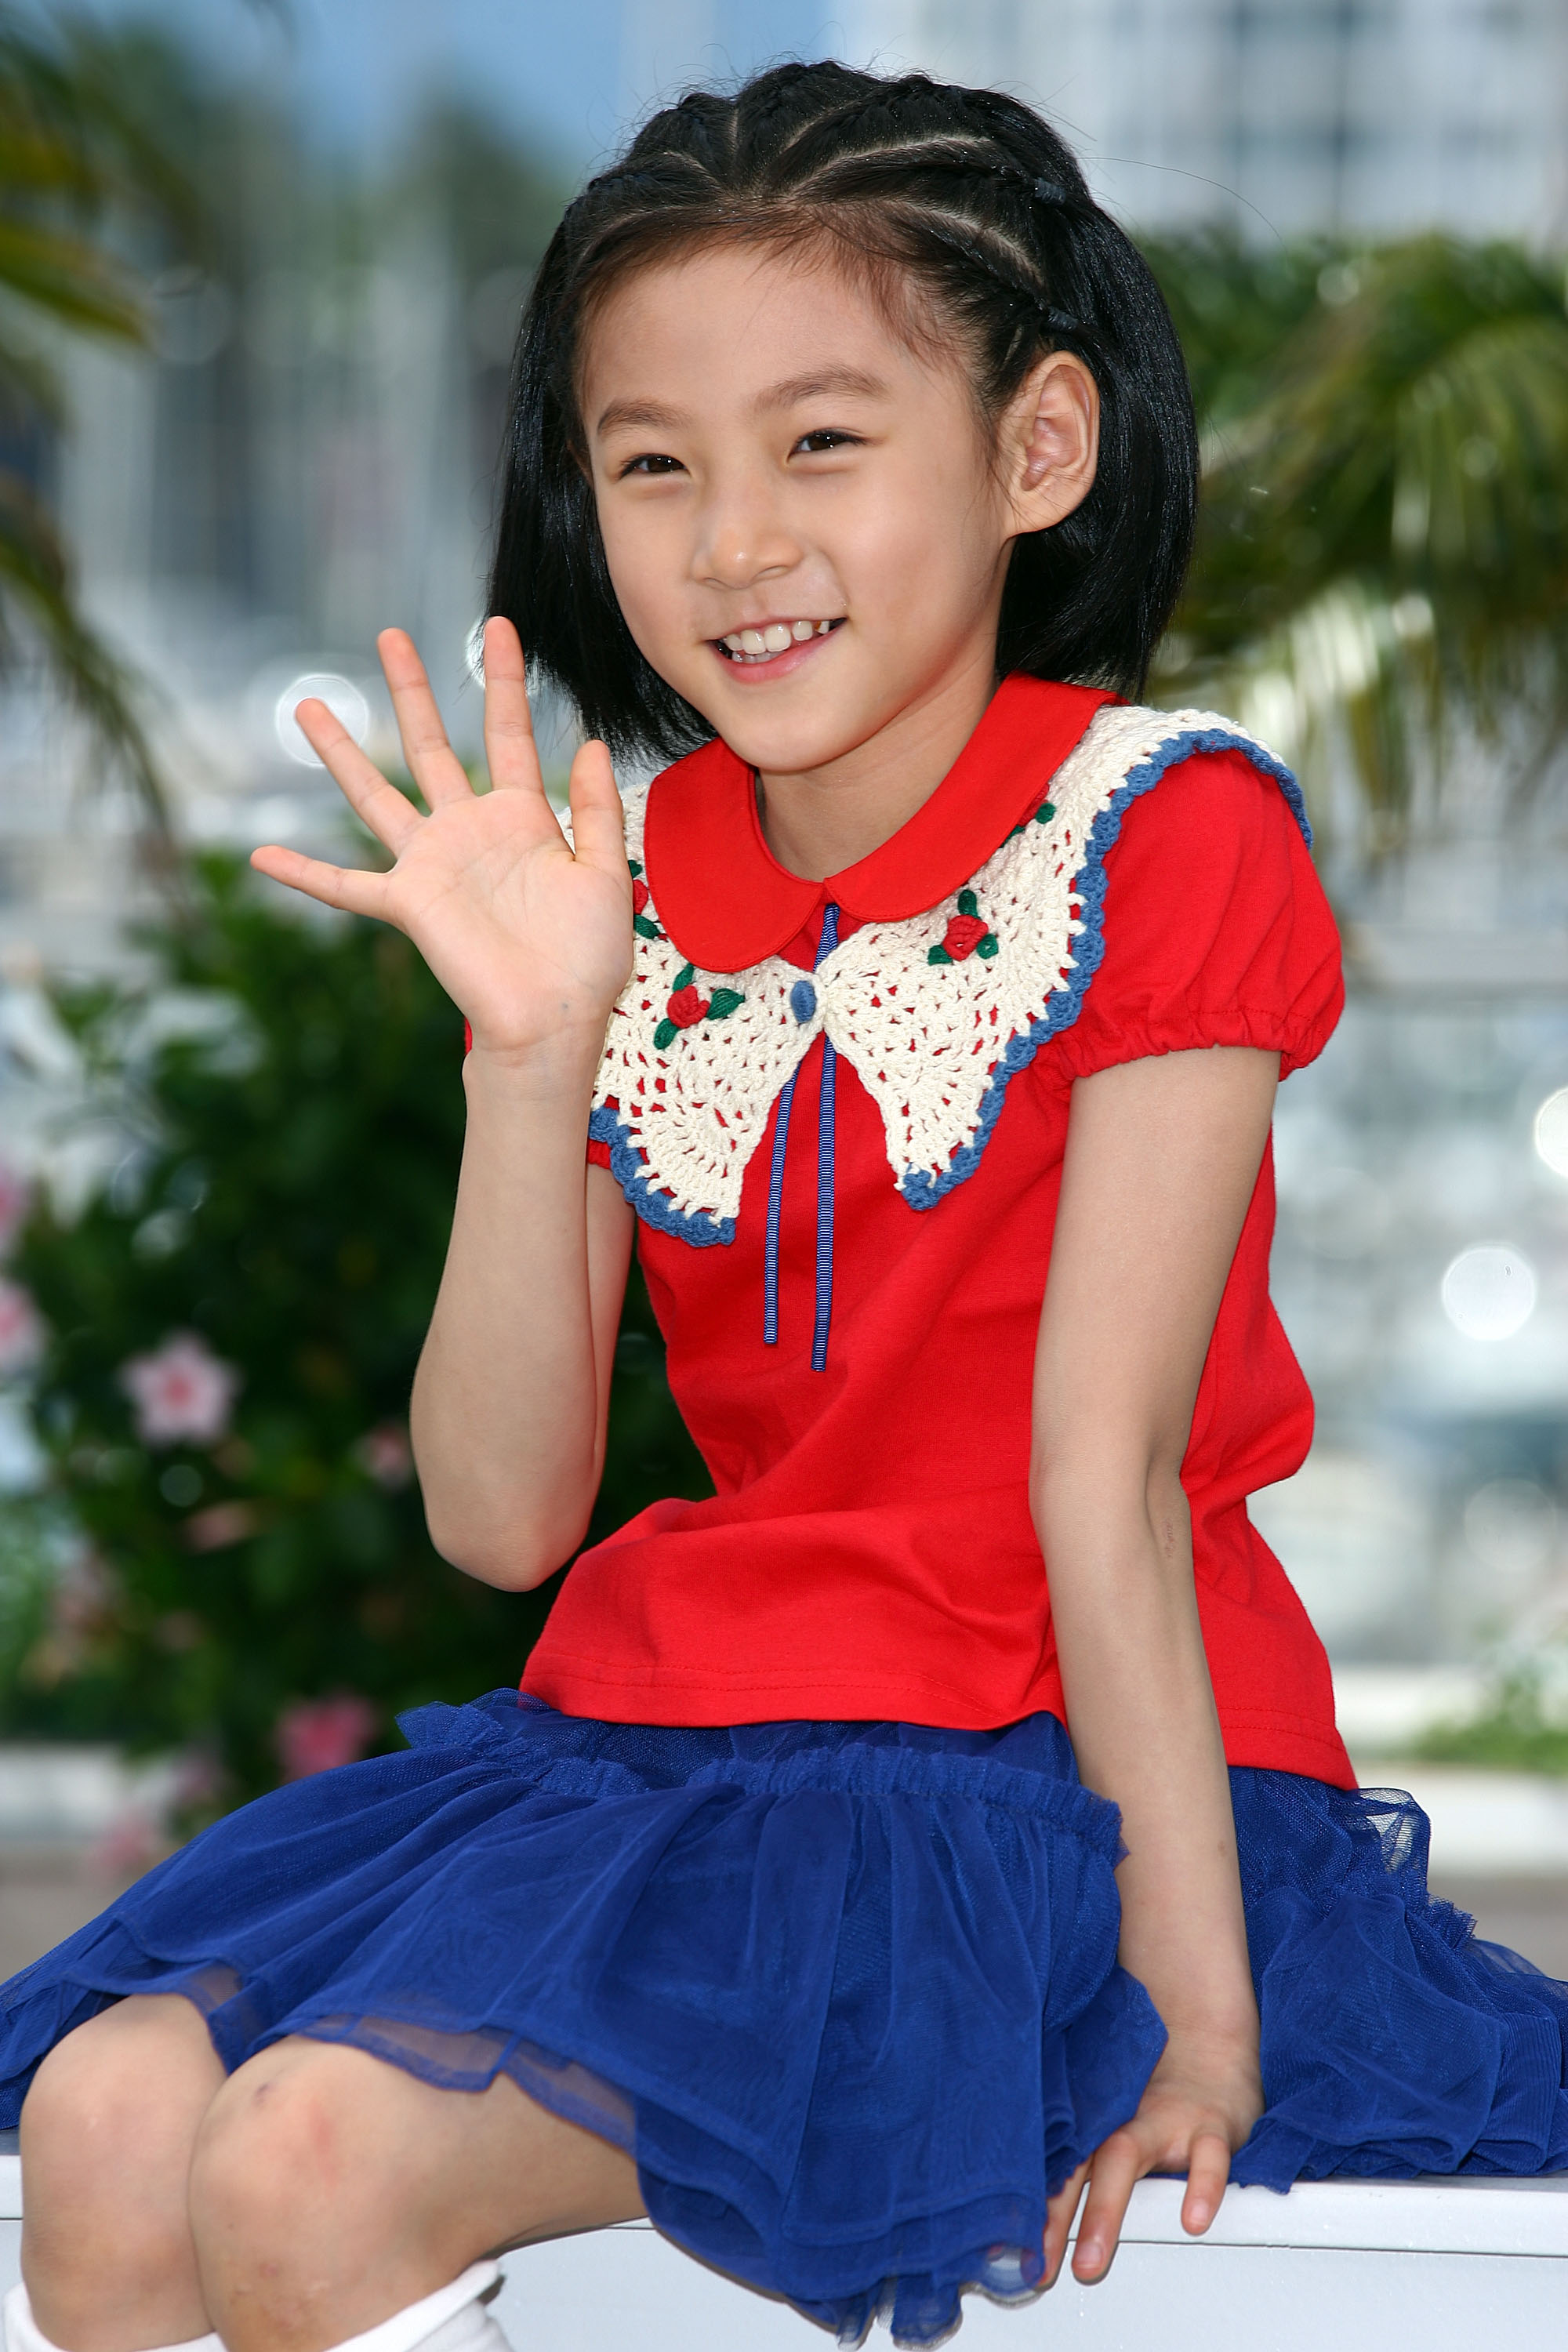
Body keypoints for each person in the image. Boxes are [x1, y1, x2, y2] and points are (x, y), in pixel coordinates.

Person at [2, 56, 1565, 2352]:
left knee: (310, 2151)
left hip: (1042, 1795)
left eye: (821, 443)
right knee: (111, 2118)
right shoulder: (616, 868)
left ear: (1039, 446)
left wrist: (1195, 2017)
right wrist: (531, 1056)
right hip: (683, 1754)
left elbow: (1099, 1472)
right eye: (656, 463)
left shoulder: (1166, 825)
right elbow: (502, 1519)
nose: (733, 539)